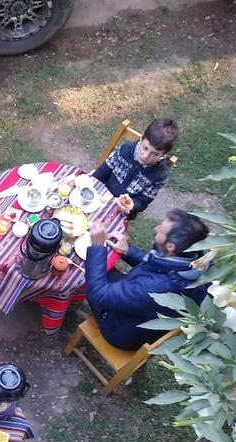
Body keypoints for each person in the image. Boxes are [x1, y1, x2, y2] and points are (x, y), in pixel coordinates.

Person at [85, 209, 209, 351]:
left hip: (117, 329)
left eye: (161, 230)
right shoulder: (197, 263)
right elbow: (160, 268)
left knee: (87, 272)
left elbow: (97, 293)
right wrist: (128, 251)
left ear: (170, 247)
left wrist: (97, 247)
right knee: (100, 268)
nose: (155, 228)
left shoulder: (152, 288)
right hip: (140, 317)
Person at [92, 118, 179, 220]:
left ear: (163, 155)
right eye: (145, 148)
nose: (145, 156)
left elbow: (143, 201)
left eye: (155, 154)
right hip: (101, 194)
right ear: (142, 138)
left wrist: (132, 205)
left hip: (122, 212)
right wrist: (92, 186)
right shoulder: (125, 149)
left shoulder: (160, 174)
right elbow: (101, 173)